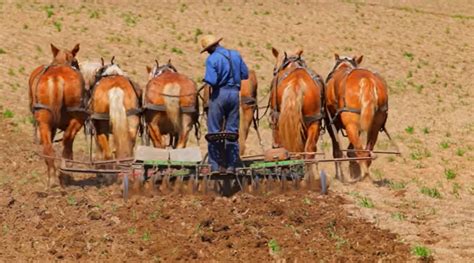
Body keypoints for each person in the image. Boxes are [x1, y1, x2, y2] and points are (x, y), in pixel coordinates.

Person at [200, 35, 249, 175]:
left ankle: (215, 166)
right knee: (232, 132)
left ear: (210, 48)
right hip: (234, 95)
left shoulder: (212, 59)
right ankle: (232, 166)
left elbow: (212, 81)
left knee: (214, 131)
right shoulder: (235, 54)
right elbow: (245, 75)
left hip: (219, 95)